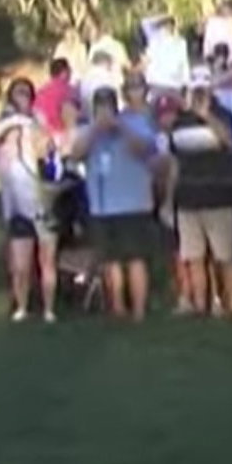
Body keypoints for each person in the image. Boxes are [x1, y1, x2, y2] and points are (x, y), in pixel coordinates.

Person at [70, 86, 158, 322]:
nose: (104, 110)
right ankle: (117, 308)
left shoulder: (135, 123)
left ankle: (139, 311)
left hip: (134, 203)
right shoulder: (87, 130)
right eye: (99, 105)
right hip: (102, 206)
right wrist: (96, 130)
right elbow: (75, 154)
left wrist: (120, 127)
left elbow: (145, 149)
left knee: (135, 258)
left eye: (108, 105)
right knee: (111, 260)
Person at [160, 92, 232, 317]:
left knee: (224, 256)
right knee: (193, 257)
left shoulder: (224, 115)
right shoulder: (179, 123)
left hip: (219, 198)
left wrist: (206, 116)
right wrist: (169, 198)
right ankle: (199, 305)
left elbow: (229, 142)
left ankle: (231, 305)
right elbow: (175, 163)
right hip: (187, 198)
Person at [0, 113, 60, 323]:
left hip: (44, 212)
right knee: (21, 266)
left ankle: (49, 309)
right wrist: (12, 124)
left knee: (47, 261)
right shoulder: (4, 160)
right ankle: (22, 307)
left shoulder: (43, 158)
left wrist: (32, 132)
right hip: (19, 213)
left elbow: (53, 170)